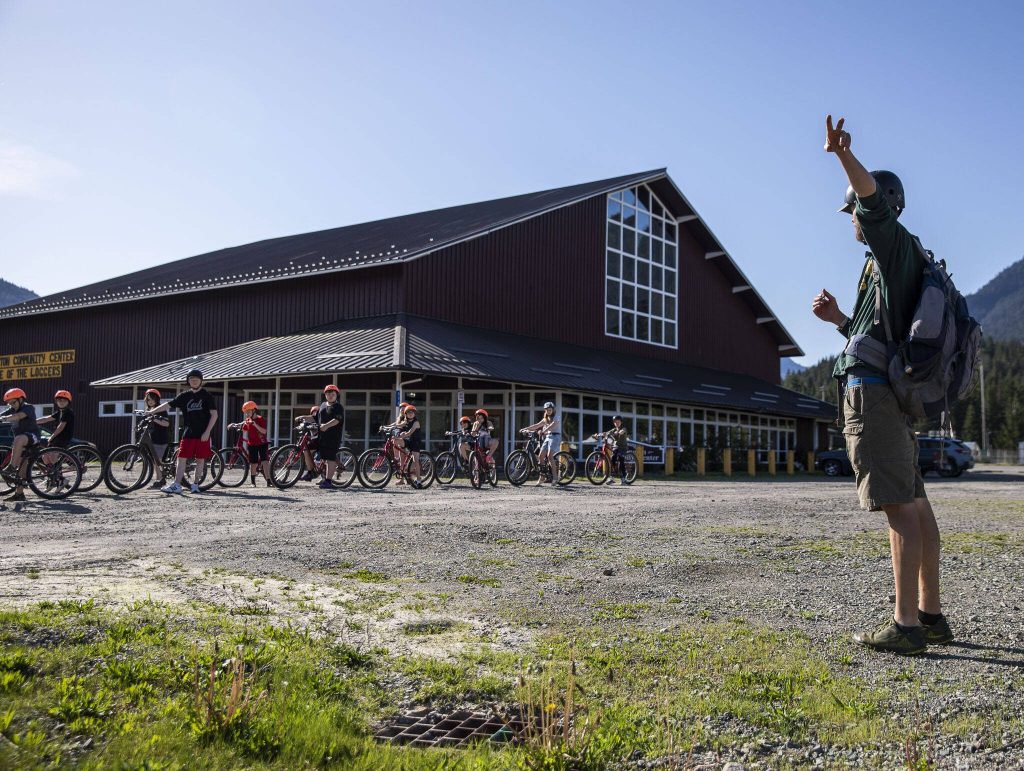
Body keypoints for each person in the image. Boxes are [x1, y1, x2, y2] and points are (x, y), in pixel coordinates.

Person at [812, 114, 949, 655]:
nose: (852, 219)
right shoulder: (892, 264)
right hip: (889, 389)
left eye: (854, 211)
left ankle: (907, 625)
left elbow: (871, 202)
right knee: (915, 504)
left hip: (874, 398)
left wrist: (843, 156)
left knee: (899, 509)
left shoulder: (891, 244)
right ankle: (932, 616)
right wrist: (844, 321)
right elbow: (884, 337)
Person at [146, 369, 218, 494]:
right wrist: (152, 411)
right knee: (181, 457)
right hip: (188, 432)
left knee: (200, 459)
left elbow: (214, 415)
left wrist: (207, 432)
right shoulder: (185, 396)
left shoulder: (207, 395)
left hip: (203, 433)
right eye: (191, 379)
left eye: (196, 379)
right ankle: (177, 485)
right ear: (188, 381)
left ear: (201, 380)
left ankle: (195, 484)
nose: (194, 381)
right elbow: (168, 405)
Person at [0, 388, 41, 501]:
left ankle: (11, 467)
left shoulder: (28, 408)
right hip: (21, 442)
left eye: (13, 402)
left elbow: (18, 416)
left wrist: (4, 418)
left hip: (33, 438)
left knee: (18, 439)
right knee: (22, 467)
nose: (11, 405)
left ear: (21, 399)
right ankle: (19, 494)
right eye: (9, 404)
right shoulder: (11, 410)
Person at [229, 401, 271, 486]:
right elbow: (244, 428)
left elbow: (264, 431)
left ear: (254, 411)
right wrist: (234, 425)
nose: (247, 414)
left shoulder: (260, 419)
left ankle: (269, 481)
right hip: (252, 444)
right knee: (253, 463)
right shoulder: (248, 420)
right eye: (246, 412)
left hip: (262, 443)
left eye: (248, 412)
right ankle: (253, 482)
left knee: (265, 462)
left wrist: (255, 424)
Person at [312, 385, 345, 489]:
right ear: (325, 395)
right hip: (321, 436)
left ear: (336, 395)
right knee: (308, 448)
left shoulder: (338, 407)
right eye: (328, 394)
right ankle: (310, 472)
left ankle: (328, 481)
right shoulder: (322, 405)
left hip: (333, 437)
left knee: (330, 459)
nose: (330, 396)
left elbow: (337, 420)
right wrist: (303, 418)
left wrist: (326, 426)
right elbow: (315, 418)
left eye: (333, 394)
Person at [521, 401, 561, 485]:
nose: (548, 411)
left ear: (553, 410)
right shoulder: (545, 419)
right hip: (547, 437)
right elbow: (536, 425)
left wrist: (544, 430)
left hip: (555, 437)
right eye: (547, 410)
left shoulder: (556, 417)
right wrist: (525, 428)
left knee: (550, 456)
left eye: (550, 410)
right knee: (540, 456)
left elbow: (552, 425)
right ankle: (542, 476)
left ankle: (555, 477)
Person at [139, 388, 171, 489]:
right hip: (152, 439)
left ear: (157, 399)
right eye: (148, 399)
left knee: (158, 461)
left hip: (161, 439)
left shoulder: (161, 409)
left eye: (152, 399)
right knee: (155, 461)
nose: (150, 401)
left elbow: (166, 423)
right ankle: (160, 479)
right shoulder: (148, 411)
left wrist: (155, 418)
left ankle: (159, 481)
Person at [38, 390, 75, 465]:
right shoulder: (59, 412)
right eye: (59, 400)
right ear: (56, 402)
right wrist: (33, 421)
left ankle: (59, 474)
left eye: (64, 400)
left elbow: (61, 427)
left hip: (64, 437)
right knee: (45, 456)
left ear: (68, 402)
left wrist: (52, 437)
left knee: (53, 456)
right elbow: (46, 419)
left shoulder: (68, 413)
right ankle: (51, 471)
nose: (61, 402)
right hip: (57, 437)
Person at [395, 404, 423, 486]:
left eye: (412, 412)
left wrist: (401, 435)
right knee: (397, 440)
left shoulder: (416, 423)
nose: (410, 413)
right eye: (408, 412)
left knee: (415, 460)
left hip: (415, 443)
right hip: (409, 441)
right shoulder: (405, 422)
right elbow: (397, 425)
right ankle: (397, 458)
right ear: (405, 414)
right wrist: (388, 429)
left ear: (414, 414)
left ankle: (418, 480)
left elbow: (409, 433)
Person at [295, 406, 321, 482]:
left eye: (316, 412)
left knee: (322, 458)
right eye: (313, 412)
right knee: (305, 450)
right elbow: (308, 419)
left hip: (323, 439)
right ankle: (310, 472)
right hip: (315, 441)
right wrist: (301, 419)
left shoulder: (321, 419)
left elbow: (313, 418)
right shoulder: (310, 422)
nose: (314, 414)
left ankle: (325, 477)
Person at [603, 415, 630, 485]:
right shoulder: (614, 429)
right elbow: (606, 433)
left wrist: (618, 432)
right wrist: (598, 435)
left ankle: (624, 479)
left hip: (623, 447)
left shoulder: (624, 428)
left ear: (621, 422)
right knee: (613, 459)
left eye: (618, 422)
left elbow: (622, 431)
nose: (617, 423)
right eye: (615, 422)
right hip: (616, 446)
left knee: (621, 460)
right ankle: (612, 477)